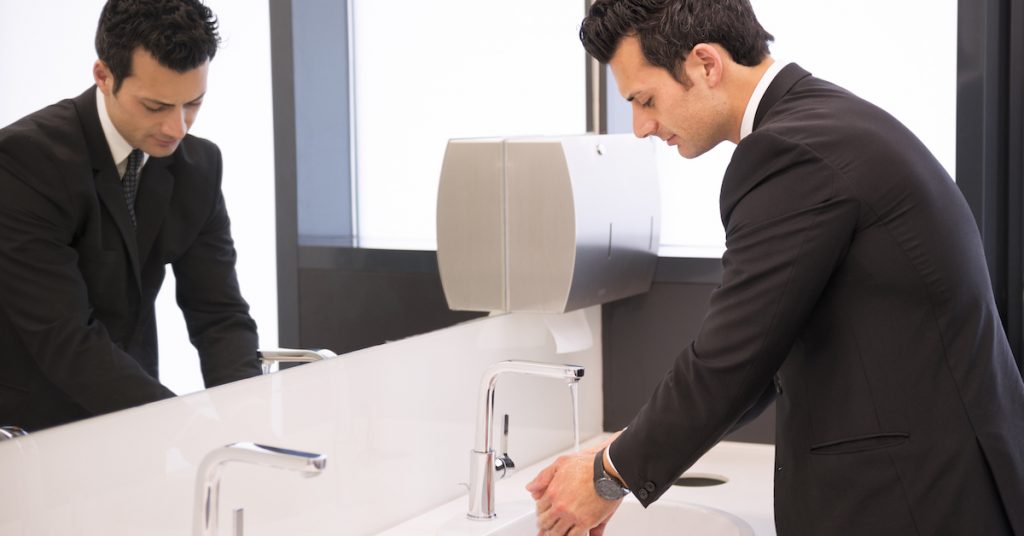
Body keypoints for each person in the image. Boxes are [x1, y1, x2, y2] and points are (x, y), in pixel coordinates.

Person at [526, 0, 1024, 534]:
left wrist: (610, 475)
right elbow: (766, 352)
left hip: (913, 500)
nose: (641, 127)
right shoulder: (826, 121)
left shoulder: (790, 151)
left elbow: (731, 358)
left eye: (645, 99)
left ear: (705, 64)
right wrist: (626, 448)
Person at [0, 0, 261, 432]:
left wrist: (244, 425)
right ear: (103, 76)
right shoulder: (24, 162)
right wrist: (185, 427)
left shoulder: (199, 166)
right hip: (31, 430)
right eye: (155, 106)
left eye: (193, 103)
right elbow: (64, 337)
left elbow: (219, 314)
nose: (177, 128)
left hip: (136, 417)